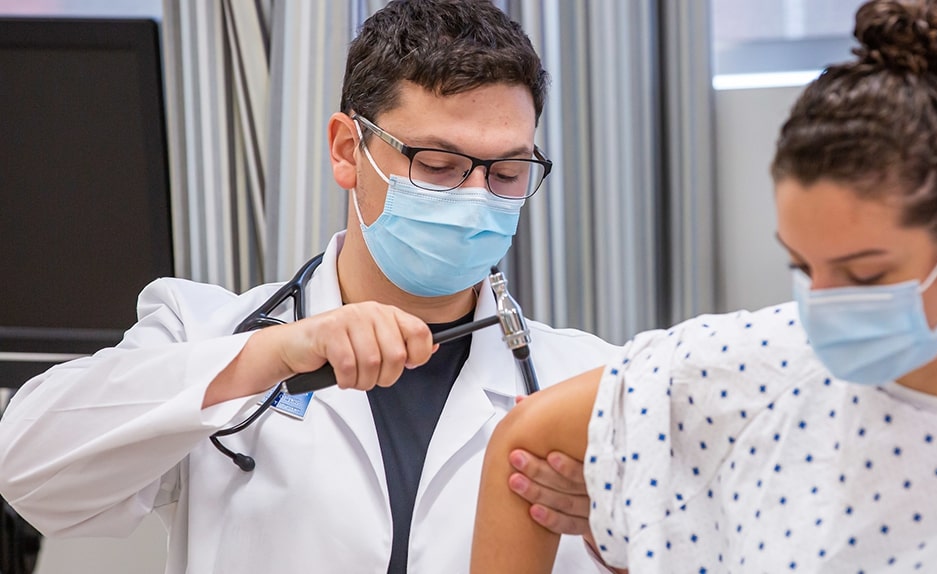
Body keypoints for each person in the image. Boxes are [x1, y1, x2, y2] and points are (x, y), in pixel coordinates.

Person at [0, 1, 622, 572]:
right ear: (348, 150)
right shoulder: (209, 334)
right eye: (438, 166)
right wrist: (273, 355)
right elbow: (26, 465)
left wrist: (616, 542)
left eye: (509, 172)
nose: (476, 196)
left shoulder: (591, 380)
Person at [470, 0, 937, 572]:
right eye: (806, 268)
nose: (825, 306)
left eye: (864, 274)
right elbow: (526, 441)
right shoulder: (747, 364)